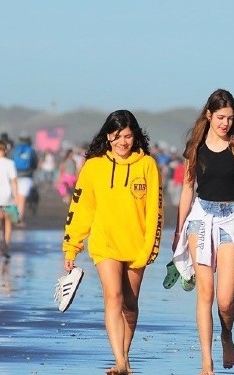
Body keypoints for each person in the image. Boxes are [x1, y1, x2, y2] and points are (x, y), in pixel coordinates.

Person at [62, 110, 162, 375]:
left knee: (130, 305)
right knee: (113, 297)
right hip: (105, 243)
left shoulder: (148, 166)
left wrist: (150, 249)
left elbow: (155, 211)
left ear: (135, 136)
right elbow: (81, 208)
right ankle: (119, 360)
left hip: (137, 245)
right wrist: (72, 246)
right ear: (108, 136)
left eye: (128, 136)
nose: (122, 142)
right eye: (117, 136)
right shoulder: (94, 166)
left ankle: (125, 357)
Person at [171, 89, 234, 375]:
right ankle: (206, 363)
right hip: (200, 218)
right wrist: (179, 228)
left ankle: (227, 333)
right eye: (220, 117)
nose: (225, 123)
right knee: (205, 292)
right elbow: (186, 188)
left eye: (230, 118)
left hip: (230, 217)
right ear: (209, 115)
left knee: (225, 300)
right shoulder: (195, 146)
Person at [10, 135, 38, 226]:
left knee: (15, 198)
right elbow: (35, 164)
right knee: (22, 200)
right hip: (26, 176)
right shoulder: (31, 150)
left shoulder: (15, 150)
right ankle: (19, 221)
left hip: (14, 176)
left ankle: (13, 218)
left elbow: (10, 161)